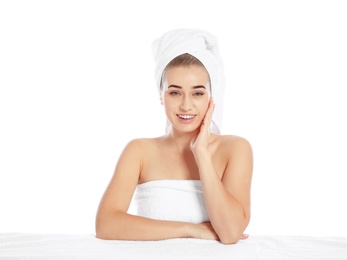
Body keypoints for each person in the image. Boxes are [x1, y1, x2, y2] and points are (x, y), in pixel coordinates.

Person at [95, 28, 253, 244]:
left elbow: (230, 233)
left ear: (212, 96)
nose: (186, 105)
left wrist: (202, 153)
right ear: (161, 96)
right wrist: (191, 230)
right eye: (175, 92)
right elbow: (106, 224)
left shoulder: (235, 149)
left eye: (197, 93)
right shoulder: (139, 151)